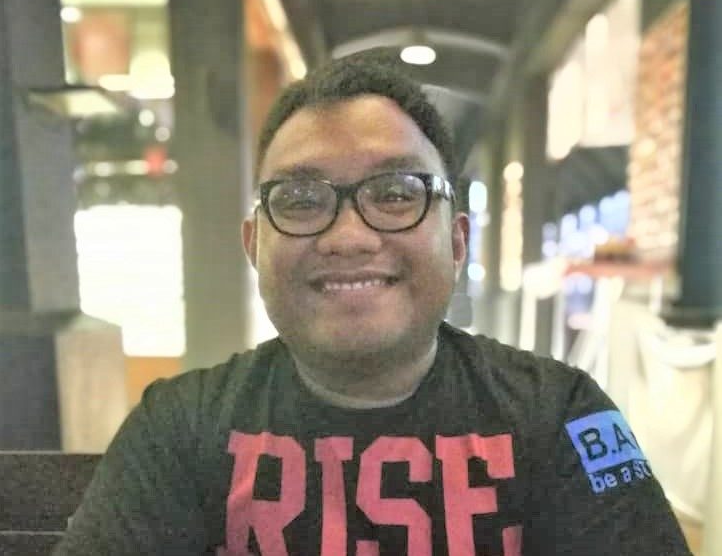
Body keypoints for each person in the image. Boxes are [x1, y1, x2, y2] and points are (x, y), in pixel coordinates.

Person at [54, 52, 691, 555]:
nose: (349, 237)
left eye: (395, 193)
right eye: (301, 200)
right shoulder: (177, 429)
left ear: (457, 241)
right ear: (254, 244)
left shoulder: (560, 417)